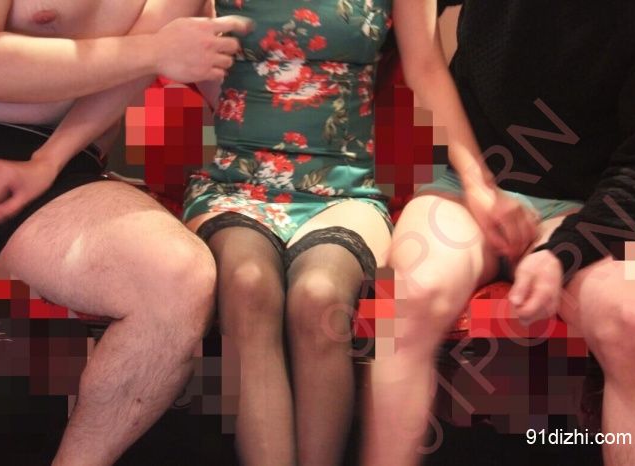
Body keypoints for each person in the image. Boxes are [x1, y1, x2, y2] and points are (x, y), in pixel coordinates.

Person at [181, 0, 534, 464]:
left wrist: (479, 184)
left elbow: (426, 69)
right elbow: (158, 38)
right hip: (235, 185)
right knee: (248, 286)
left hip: (344, 191)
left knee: (319, 298)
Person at [365, 1, 635, 465]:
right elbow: (412, 43)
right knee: (407, 299)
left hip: (583, 207)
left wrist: (563, 253)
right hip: (468, 186)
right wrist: (479, 186)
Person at [0, 1, 252, 464]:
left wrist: (47, 162)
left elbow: (128, 80)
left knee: (175, 277)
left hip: (60, 159)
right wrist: (154, 50)